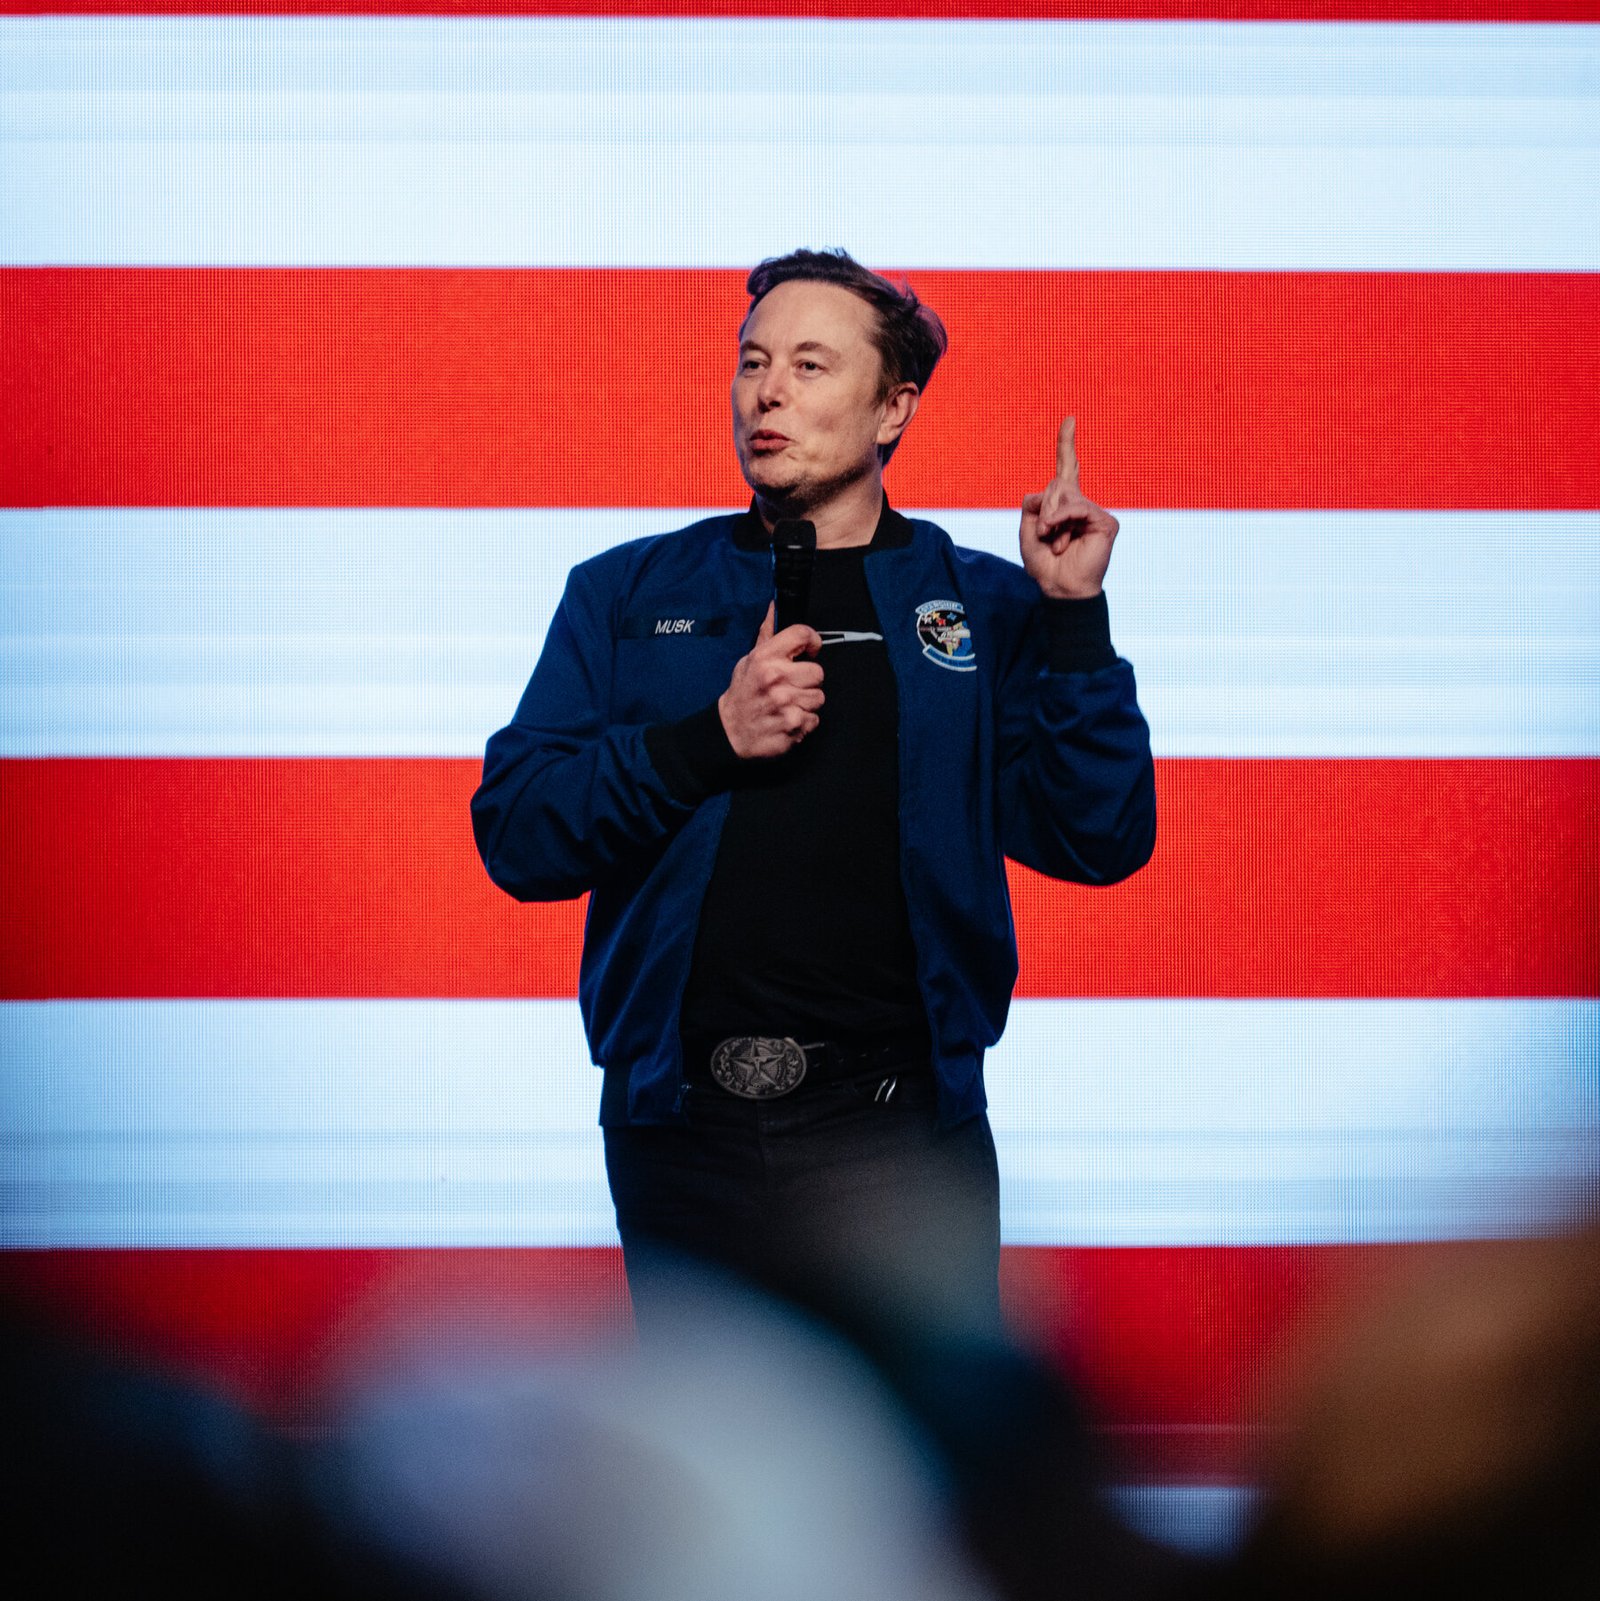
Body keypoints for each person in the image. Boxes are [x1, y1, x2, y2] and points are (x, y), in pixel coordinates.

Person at [471, 248, 1156, 1335]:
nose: (767, 393)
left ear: (893, 408)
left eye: (808, 364)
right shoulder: (626, 592)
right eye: (752, 362)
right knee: (710, 1434)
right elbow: (517, 832)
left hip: (899, 1136)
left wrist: (1073, 621)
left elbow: (1098, 835)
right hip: (680, 1135)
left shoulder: (980, 605)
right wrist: (710, 738)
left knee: (918, 1436)